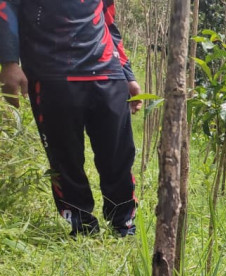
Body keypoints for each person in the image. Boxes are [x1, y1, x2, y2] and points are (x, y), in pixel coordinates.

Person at [0, 0, 142, 237]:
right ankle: (81, 225)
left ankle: (123, 224)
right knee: (64, 158)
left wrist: (128, 74)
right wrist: (9, 63)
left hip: (107, 70)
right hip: (51, 71)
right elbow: (6, 7)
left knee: (119, 154)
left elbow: (108, 19)